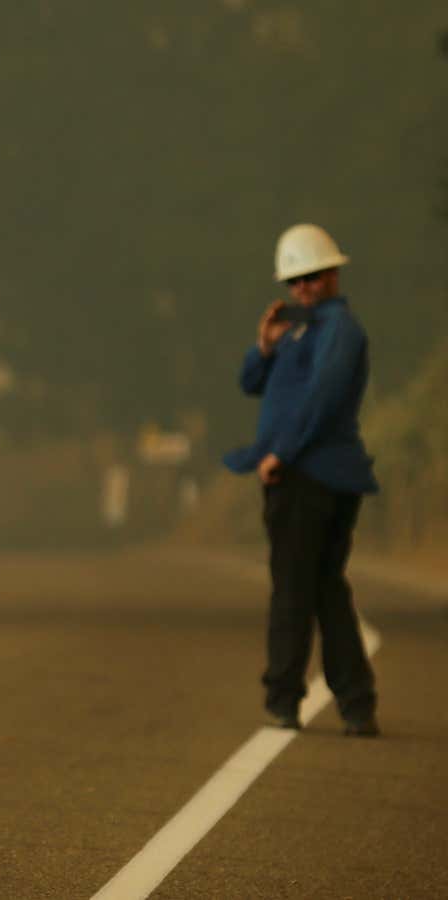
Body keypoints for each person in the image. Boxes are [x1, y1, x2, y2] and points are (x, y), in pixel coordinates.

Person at [223, 223, 380, 737]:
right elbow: (251, 382)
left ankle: (284, 699)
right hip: (308, 475)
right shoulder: (300, 331)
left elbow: (324, 399)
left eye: (312, 277)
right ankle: (356, 703)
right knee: (325, 590)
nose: (303, 288)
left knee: (293, 590)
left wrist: (280, 456)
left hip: (309, 477)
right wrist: (264, 345)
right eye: (295, 281)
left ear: (333, 273)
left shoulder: (339, 330)